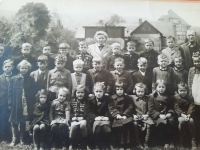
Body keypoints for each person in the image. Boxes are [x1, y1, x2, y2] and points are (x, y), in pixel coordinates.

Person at [8, 60, 36, 146]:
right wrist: (10, 103)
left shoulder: (30, 79)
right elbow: (10, 92)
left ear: (28, 69)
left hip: (25, 104)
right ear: (19, 68)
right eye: (22, 68)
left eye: (25, 68)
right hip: (16, 103)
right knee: (14, 121)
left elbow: (33, 91)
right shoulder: (14, 79)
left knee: (23, 121)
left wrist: (30, 102)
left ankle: (22, 139)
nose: (24, 70)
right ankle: (14, 139)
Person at [148, 79, 176, 149]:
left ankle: (171, 141)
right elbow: (151, 110)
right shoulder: (152, 97)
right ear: (156, 87)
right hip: (157, 116)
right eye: (159, 87)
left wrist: (170, 113)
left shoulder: (169, 97)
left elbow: (171, 107)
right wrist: (159, 115)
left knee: (171, 121)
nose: (161, 89)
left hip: (166, 115)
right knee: (162, 122)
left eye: (163, 87)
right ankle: (165, 142)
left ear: (165, 88)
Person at [84, 82, 112, 149]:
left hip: (105, 119)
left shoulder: (108, 99)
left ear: (104, 91)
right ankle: (96, 144)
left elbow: (111, 109)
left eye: (100, 91)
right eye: (96, 91)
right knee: (97, 126)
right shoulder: (90, 100)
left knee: (105, 126)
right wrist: (95, 117)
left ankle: (106, 144)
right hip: (94, 120)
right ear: (94, 91)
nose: (98, 93)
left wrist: (107, 116)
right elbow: (87, 112)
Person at [108, 80, 133, 149]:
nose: (119, 91)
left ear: (124, 89)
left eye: (121, 89)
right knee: (119, 127)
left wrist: (125, 114)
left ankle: (127, 144)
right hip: (117, 117)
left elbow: (130, 107)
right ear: (115, 90)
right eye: (117, 89)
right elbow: (111, 107)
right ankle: (120, 144)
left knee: (127, 125)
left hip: (125, 116)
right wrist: (117, 115)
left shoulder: (127, 98)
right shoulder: (112, 98)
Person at [170, 82, 196, 149]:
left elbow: (191, 107)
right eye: (180, 91)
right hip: (178, 115)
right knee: (182, 121)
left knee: (191, 121)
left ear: (187, 91)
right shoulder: (175, 97)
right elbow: (176, 107)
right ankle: (180, 140)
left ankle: (193, 140)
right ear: (178, 91)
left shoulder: (190, 98)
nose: (182, 92)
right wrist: (182, 115)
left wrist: (189, 115)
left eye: (184, 91)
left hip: (188, 114)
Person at [130, 83, 154, 149]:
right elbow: (130, 109)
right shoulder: (132, 98)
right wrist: (133, 115)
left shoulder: (148, 98)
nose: (140, 93)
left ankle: (146, 142)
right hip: (136, 116)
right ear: (135, 91)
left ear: (144, 91)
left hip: (145, 116)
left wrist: (147, 114)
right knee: (135, 124)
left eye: (142, 91)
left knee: (149, 125)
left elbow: (150, 108)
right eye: (138, 91)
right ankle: (138, 142)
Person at [69, 85, 88, 149]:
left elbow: (88, 111)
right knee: (73, 126)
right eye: (78, 92)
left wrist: (83, 117)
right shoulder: (72, 101)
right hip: (74, 119)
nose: (80, 94)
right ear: (75, 93)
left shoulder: (87, 101)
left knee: (83, 125)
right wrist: (72, 117)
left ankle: (85, 143)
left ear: (85, 93)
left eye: (82, 93)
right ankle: (72, 143)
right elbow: (70, 111)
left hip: (83, 119)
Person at [0, 59, 14, 141]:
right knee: (2, 118)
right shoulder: (0, 78)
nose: (7, 68)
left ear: (12, 67)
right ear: (3, 68)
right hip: (2, 102)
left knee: (11, 119)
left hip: (12, 102)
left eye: (9, 66)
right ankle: (1, 135)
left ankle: (10, 135)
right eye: (6, 67)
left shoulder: (15, 77)